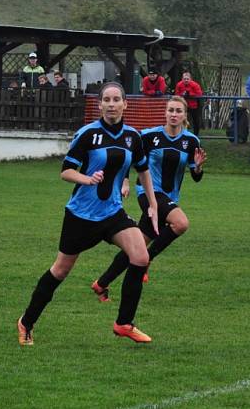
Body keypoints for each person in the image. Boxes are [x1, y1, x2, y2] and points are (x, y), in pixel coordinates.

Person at [16, 82, 159, 347]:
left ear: (125, 104)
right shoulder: (87, 134)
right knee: (60, 270)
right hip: (81, 215)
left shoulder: (132, 137)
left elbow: (143, 170)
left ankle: (124, 324)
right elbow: (65, 171)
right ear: (100, 105)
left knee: (140, 256)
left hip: (112, 211)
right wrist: (87, 178)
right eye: (107, 99)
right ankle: (27, 322)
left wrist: (153, 204)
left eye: (117, 99)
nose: (112, 104)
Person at [92, 96, 205, 302]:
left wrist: (197, 167)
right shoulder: (148, 136)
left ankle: (101, 283)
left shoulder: (191, 141)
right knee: (181, 223)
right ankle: (148, 260)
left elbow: (196, 177)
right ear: (165, 112)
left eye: (178, 111)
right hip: (147, 193)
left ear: (184, 115)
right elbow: (128, 159)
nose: (174, 114)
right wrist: (125, 182)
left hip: (169, 197)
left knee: (137, 247)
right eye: (170, 110)